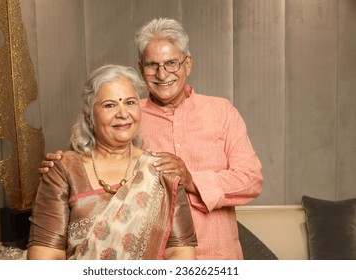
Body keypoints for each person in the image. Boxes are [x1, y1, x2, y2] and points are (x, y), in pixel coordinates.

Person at [40, 18, 263, 259]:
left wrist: (191, 180)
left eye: (171, 63)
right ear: (140, 68)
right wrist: (59, 166)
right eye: (152, 65)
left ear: (188, 64)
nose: (162, 73)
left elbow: (251, 179)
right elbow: (91, 162)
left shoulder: (221, 111)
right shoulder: (127, 117)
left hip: (218, 258)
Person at [27, 64, 197, 260]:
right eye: (110, 105)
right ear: (90, 115)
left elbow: (180, 253)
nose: (123, 113)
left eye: (130, 102)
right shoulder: (64, 171)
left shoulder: (162, 171)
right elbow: (45, 258)